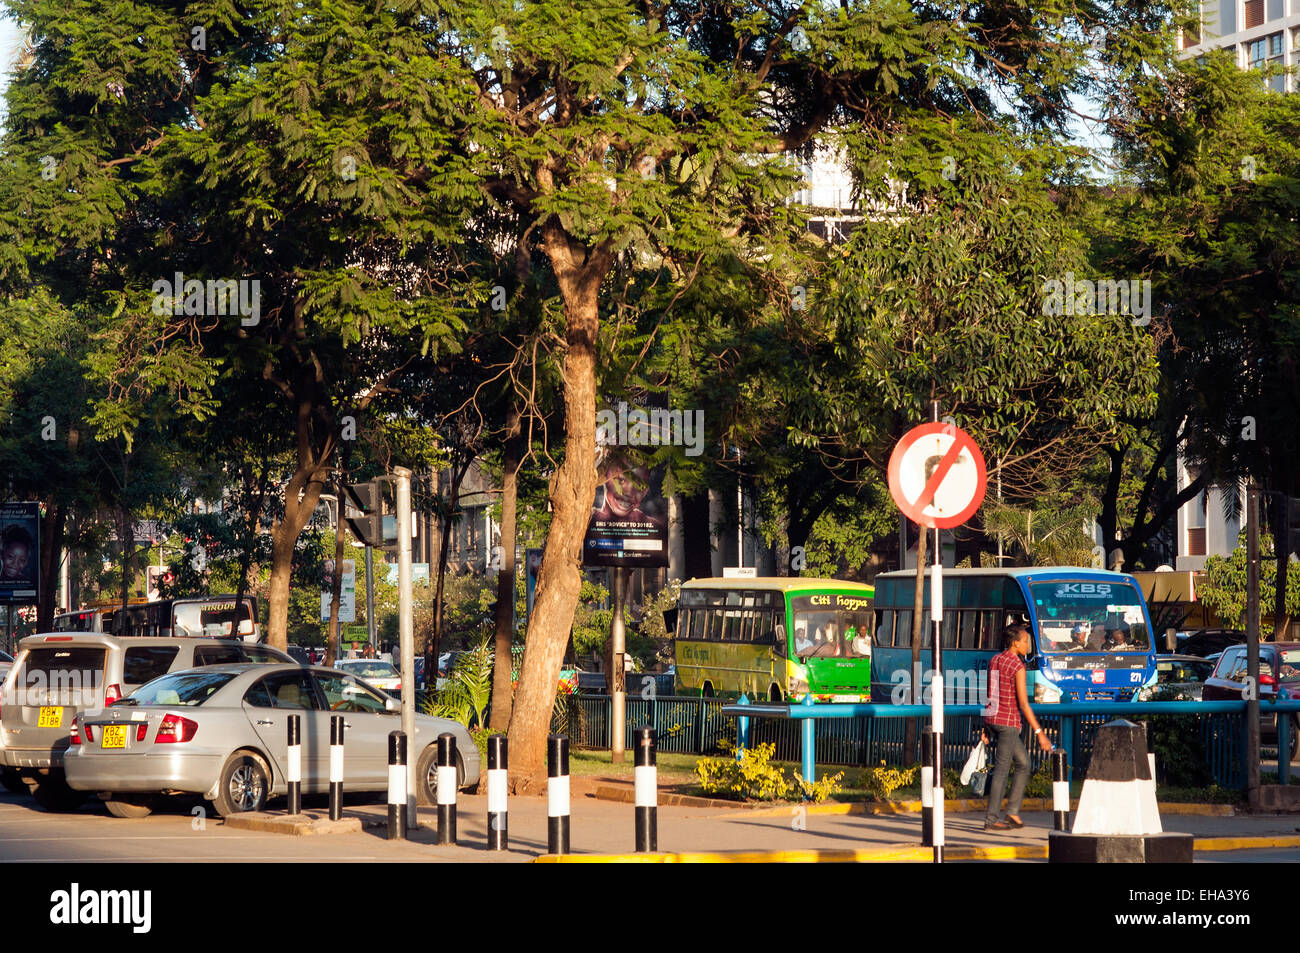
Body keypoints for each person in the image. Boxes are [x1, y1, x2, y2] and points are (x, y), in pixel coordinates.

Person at [983, 622, 1053, 831]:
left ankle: (1012, 812)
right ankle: (991, 820)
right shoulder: (1017, 666)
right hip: (1007, 723)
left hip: (993, 719)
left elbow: (990, 694)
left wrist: (986, 727)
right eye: (1024, 641)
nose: (1027, 645)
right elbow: (1023, 703)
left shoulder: (995, 660)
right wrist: (1040, 733)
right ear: (1015, 643)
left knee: (1023, 763)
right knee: (1002, 771)